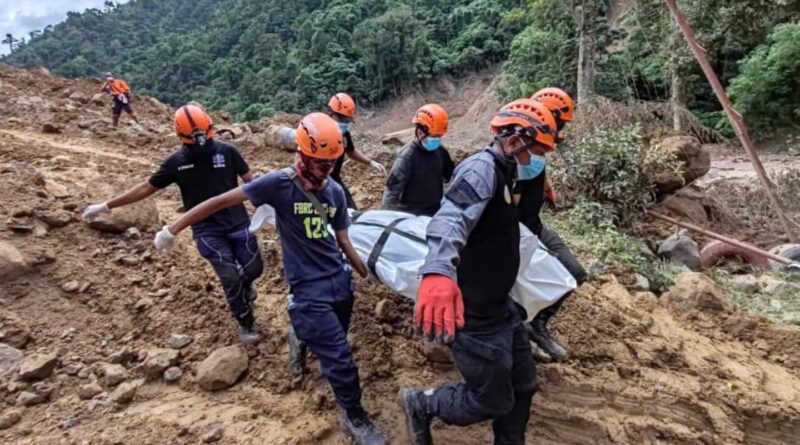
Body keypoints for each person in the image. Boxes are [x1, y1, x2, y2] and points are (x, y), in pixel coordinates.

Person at [153, 113, 387, 445]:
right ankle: (354, 416)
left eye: (332, 163)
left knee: (335, 334)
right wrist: (172, 229)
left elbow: (343, 240)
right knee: (340, 358)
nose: (328, 170)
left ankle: (299, 337)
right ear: (304, 154)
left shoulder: (333, 191)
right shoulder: (278, 184)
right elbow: (218, 202)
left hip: (338, 280)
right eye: (321, 163)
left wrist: (365, 273)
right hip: (307, 290)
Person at [398, 99, 558, 445]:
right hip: (473, 312)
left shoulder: (508, 172)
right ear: (515, 140)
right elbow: (450, 218)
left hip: (501, 305)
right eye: (535, 150)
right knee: (492, 398)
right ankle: (421, 404)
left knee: (524, 385)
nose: (536, 160)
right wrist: (438, 271)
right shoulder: (480, 170)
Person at [82, 104, 263, 344]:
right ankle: (245, 321)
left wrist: (268, 203)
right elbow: (146, 188)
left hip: (238, 222)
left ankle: (246, 285)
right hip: (206, 229)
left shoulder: (228, 152)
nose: (201, 144)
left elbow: (251, 181)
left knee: (254, 268)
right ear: (182, 137)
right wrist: (107, 205)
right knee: (229, 276)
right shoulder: (175, 163)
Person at [515, 88, 587, 361]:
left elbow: (539, 166)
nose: (561, 129)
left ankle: (537, 324)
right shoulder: (517, 150)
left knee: (574, 272)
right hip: (516, 235)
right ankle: (518, 338)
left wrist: (547, 188)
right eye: (561, 122)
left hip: (535, 226)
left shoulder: (538, 147)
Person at [382, 104, 455, 216]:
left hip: (434, 212)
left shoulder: (440, 152)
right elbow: (391, 191)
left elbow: (452, 176)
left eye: (439, 136)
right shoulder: (407, 156)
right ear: (420, 132)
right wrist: (387, 218)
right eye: (434, 136)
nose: (437, 140)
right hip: (410, 215)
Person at [326, 93, 386, 210]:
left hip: (334, 178)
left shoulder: (344, 134)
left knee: (350, 210)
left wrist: (370, 162)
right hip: (318, 180)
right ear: (332, 113)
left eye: (347, 119)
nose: (344, 123)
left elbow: (350, 152)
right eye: (342, 118)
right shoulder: (320, 133)